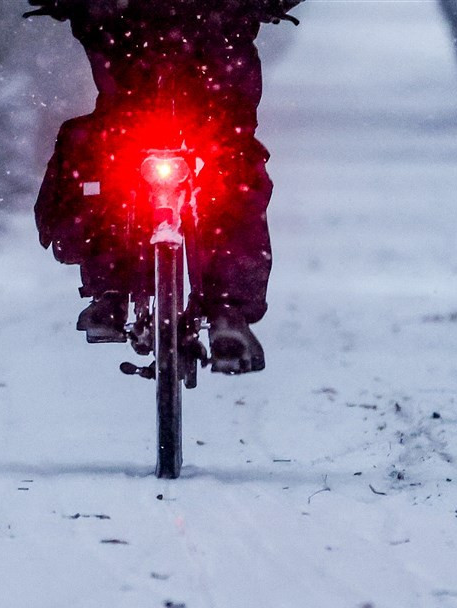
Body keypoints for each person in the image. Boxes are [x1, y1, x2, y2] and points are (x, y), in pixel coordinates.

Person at [26, 0, 301, 373]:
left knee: (103, 150)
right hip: (213, 45)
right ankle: (227, 308)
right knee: (234, 162)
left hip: (130, 43)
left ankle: (110, 287)